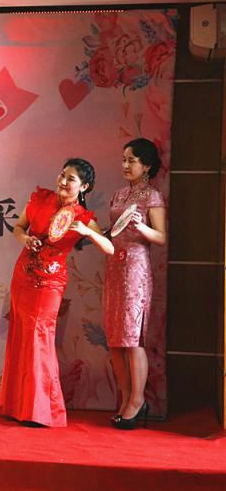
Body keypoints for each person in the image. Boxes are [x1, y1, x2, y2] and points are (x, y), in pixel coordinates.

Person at [0, 158, 114, 427]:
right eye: (62, 175)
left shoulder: (83, 217)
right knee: (21, 334)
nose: (62, 181)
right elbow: (18, 227)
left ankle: (40, 411)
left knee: (40, 336)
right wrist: (25, 239)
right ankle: (17, 406)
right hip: (23, 275)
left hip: (50, 282)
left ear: (84, 187)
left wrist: (87, 232)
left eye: (71, 179)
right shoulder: (41, 198)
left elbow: (109, 248)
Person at [103, 138, 166, 429]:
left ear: (147, 165)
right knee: (115, 339)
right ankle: (126, 398)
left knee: (132, 338)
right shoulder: (118, 195)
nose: (126, 165)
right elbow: (113, 232)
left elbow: (161, 237)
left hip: (136, 271)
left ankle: (138, 400)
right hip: (114, 268)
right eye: (124, 159)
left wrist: (141, 227)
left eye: (132, 160)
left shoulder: (152, 196)